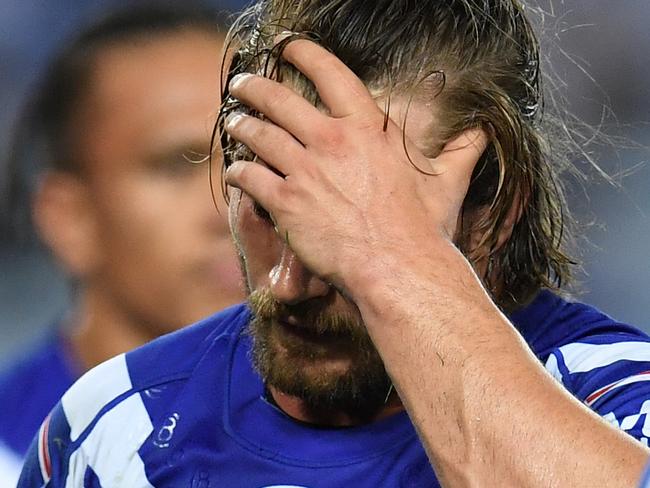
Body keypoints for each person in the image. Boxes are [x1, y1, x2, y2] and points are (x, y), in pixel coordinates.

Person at [18, 0, 650, 486]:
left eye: (357, 225)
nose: (289, 284)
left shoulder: (613, 399)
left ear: (496, 212)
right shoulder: (117, 427)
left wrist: (392, 266)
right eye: (269, 210)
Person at [0, 3, 244, 484]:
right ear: (70, 220)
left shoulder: (386, 430)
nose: (235, 204)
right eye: (177, 164)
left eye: (254, 152)